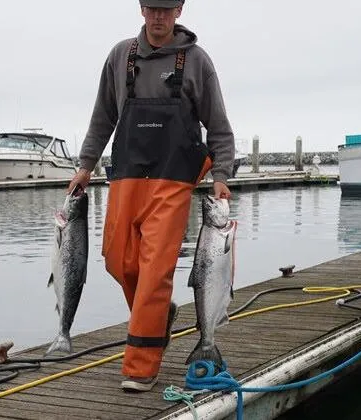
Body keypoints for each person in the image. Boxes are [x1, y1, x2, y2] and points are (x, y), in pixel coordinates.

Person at [68, 0, 236, 392]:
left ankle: (141, 367)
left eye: (166, 8)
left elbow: (220, 129)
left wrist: (222, 175)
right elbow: (102, 116)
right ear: (141, 8)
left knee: (154, 271)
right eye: (151, 8)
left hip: (173, 183)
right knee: (119, 261)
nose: (158, 17)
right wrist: (85, 164)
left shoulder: (197, 62)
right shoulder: (119, 57)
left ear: (179, 9)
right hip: (126, 178)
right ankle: (159, 318)